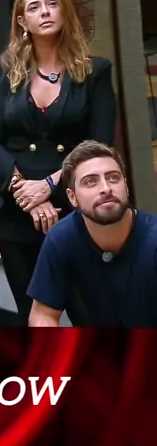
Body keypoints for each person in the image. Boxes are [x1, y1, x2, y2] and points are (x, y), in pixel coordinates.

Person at [0, 0, 117, 323]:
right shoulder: (8, 71)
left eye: (52, 3)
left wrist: (50, 185)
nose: (44, 11)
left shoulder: (95, 72)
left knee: (88, 312)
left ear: (64, 11)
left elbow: (100, 145)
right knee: (34, 317)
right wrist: (25, 191)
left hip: (74, 208)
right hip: (17, 211)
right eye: (34, 7)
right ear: (23, 21)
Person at [27, 140, 157, 327]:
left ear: (126, 187)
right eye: (90, 182)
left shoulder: (153, 238)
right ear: (72, 197)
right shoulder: (61, 239)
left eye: (113, 178)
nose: (106, 188)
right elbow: (43, 315)